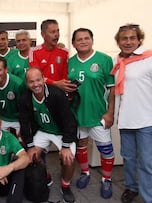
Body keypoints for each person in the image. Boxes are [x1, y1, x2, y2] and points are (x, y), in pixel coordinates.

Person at [68, 28, 115, 199]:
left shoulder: (104, 59)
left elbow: (112, 90)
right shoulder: (70, 62)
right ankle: (85, 173)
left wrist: (110, 113)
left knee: (106, 148)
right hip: (78, 114)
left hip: (98, 115)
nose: (83, 41)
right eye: (79, 39)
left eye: (86, 38)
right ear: (73, 43)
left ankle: (106, 179)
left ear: (92, 40)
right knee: (81, 144)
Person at [20, 68, 78, 203]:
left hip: (61, 133)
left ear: (44, 79)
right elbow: (24, 123)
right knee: (31, 157)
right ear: (27, 83)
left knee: (68, 158)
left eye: (38, 80)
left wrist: (65, 146)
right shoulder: (25, 97)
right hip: (43, 131)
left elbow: (69, 122)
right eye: (31, 82)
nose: (35, 84)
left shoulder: (56, 94)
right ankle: (45, 176)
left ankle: (65, 186)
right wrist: (30, 146)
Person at [111, 24, 152, 203]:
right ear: (118, 42)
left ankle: (148, 196)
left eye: (132, 38)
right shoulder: (117, 61)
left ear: (139, 39)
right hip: (126, 119)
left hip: (146, 120)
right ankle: (131, 187)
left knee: (146, 162)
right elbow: (114, 91)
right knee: (128, 158)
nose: (128, 42)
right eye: (124, 39)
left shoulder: (149, 59)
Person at [30, 19, 74, 93]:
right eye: (53, 32)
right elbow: (36, 77)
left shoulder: (64, 52)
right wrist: (55, 83)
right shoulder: (34, 52)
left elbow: (65, 76)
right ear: (43, 34)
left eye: (58, 31)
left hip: (60, 94)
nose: (56, 34)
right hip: (42, 93)